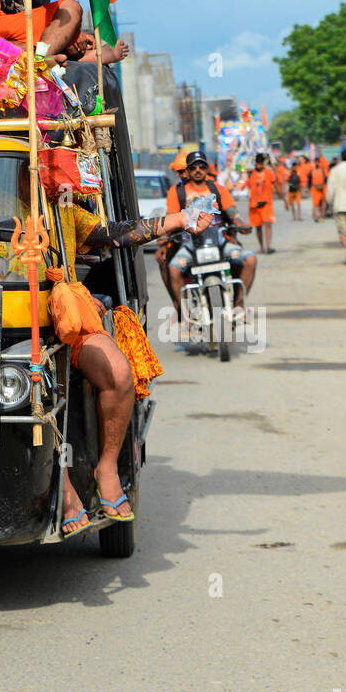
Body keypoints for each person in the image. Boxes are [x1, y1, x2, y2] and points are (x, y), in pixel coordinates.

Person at [52, 196, 213, 534]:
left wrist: (182, 218)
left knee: (119, 373)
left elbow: (117, 233)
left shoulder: (61, 207)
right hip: (1, 324)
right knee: (42, 389)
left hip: (69, 317)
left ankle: (106, 467)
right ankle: (63, 485)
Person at [165, 151, 255, 319]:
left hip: (219, 243)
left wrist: (241, 225)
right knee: (173, 269)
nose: (198, 170)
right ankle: (186, 315)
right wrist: (165, 237)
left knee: (250, 259)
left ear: (207, 168)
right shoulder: (177, 192)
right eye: (193, 167)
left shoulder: (218, 189)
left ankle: (239, 304)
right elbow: (170, 219)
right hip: (189, 245)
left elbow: (234, 214)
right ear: (188, 170)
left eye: (202, 166)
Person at [325, 147, 346, 264]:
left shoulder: (335, 171)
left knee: (342, 233)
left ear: (341, 158)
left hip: (341, 206)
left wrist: (328, 202)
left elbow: (330, 190)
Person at [247, 153, 277, 253]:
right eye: (257, 163)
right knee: (258, 227)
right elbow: (246, 186)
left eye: (261, 163)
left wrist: (284, 199)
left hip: (267, 203)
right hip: (254, 205)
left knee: (268, 224)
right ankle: (262, 247)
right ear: (255, 163)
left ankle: (268, 247)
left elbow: (275, 184)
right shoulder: (251, 174)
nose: (259, 165)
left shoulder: (269, 173)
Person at [309, 158, 328, 222]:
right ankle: (316, 216)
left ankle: (321, 216)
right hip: (315, 189)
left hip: (322, 189)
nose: (317, 163)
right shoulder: (312, 171)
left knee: (323, 203)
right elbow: (309, 181)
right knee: (315, 204)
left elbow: (326, 180)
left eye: (318, 162)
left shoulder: (323, 170)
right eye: (316, 162)